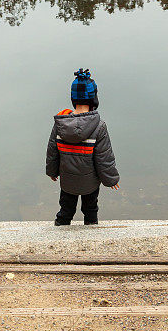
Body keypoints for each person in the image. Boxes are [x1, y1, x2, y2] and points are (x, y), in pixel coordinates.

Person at [46, 68, 119, 225]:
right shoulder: (99, 126)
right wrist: (111, 179)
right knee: (90, 210)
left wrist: (52, 171)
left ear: (73, 98)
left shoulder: (61, 123)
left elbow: (52, 152)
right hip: (90, 183)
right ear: (94, 98)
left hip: (67, 182)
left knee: (66, 211)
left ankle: (59, 235)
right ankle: (91, 237)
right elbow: (104, 158)